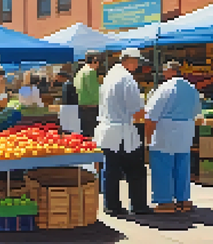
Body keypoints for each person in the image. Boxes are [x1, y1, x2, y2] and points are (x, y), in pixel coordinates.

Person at [95, 48, 152, 216]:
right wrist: (148, 112)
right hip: (122, 132)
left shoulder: (109, 77)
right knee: (136, 170)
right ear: (129, 61)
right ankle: (138, 205)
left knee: (111, 170)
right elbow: (136, 111)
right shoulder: (127, 80)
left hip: (107, 131)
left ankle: (111, 205)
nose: (137, 65)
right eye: (136, 62)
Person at [145, 61, 202, 213]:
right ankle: (183, 200)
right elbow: (197, 110)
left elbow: (151, 115)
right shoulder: (191, 88)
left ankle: (165, 202)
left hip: (166, 130)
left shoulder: (165, 88)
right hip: (185, 130)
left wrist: (147, 138)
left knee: (162, 165)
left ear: (169, 71)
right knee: (182, 165)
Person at [74, 53, 102, 137]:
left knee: (86, 135)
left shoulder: (80, 72)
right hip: (92, 108)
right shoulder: (90, 72)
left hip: (82, 107)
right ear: (94, 61)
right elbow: (95, 92)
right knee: (93, 135)